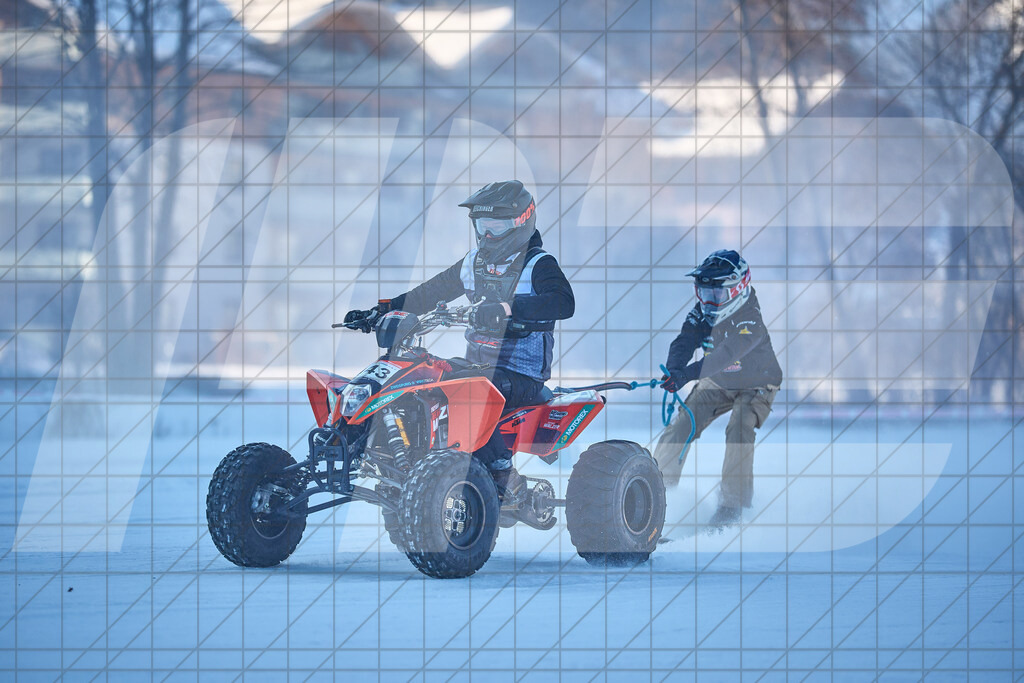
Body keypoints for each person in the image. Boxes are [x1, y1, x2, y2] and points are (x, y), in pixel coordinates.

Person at [344, 180, 574, 502]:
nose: (489, 236)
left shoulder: (538, 264)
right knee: (423, 378)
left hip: (521, 374)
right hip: (479, 367)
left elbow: (564, 302)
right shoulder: (474, 262)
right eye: (483, 227)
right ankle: (409, 461)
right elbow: (428, 293)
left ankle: (503, 474)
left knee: (472, 391)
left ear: (522, 221)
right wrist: (380, 310)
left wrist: (508, 309)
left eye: (498, 226)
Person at [654, 249, 783, 529]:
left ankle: (732, 508)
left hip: (757, 384)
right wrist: (674, 370)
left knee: (739, 428)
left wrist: (688, 374)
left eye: (716, 295)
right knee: (682, 425)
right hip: (719, 382)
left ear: (737, 289)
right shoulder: (702, 311)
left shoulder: (751, 320)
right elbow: (683, 342)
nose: (709, 302)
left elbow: (724, 355)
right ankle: (655, 494)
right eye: (703, 293)